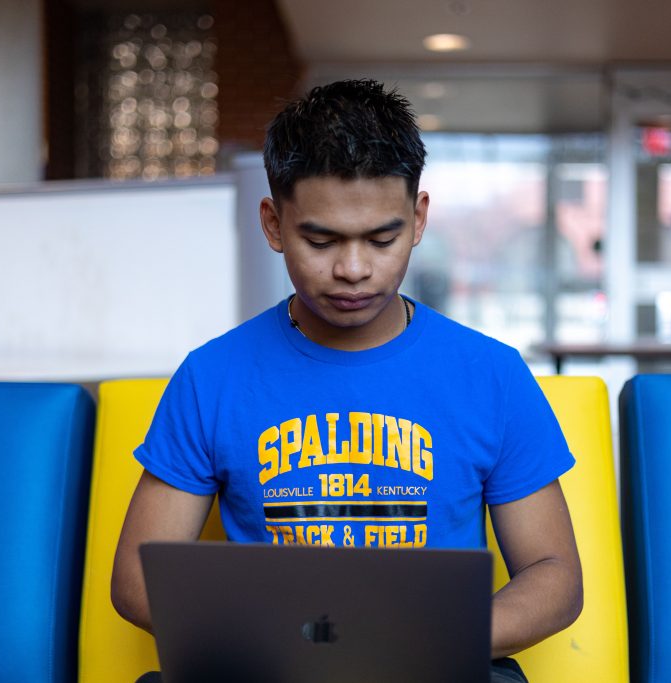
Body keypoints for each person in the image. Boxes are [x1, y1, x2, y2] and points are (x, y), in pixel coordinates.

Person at [112, 79, 582, 683]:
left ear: (417, 220)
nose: (353, 269)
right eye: (321, 239)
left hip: (434, 664)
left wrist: (425, 640)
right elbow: (135, 581)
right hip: (268, 667)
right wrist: (288, 645)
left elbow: (555, 575)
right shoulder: (212, 376)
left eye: (382, 239)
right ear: (274, 224)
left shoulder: (490, 374)